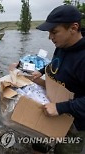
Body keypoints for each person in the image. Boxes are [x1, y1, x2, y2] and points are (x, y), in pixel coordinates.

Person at [31, 5, 85, 153]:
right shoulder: (62, 45)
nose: (50, 37)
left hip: (75, 122)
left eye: (54, 32)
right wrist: (42, 71)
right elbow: (55, 64)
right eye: (49, 32)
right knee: (37, 144)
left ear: (73, 28)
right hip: (52, 107)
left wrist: (61, 108)